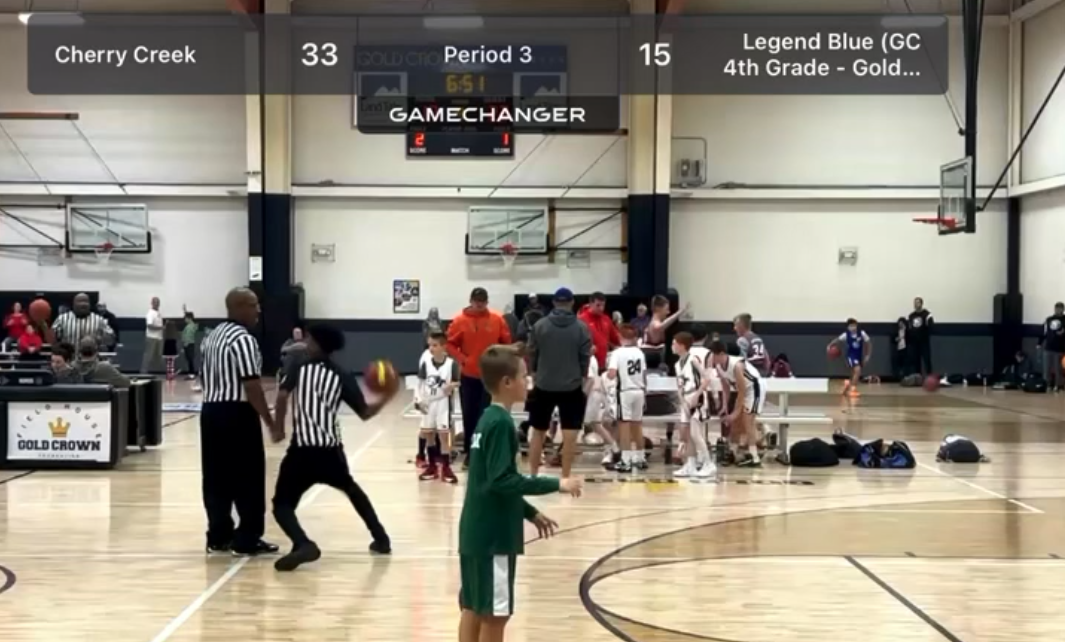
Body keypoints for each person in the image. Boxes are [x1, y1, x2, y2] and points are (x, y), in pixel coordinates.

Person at [457, 344, 582, 642]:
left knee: (473, 607)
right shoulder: (500, 424)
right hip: (494, 537)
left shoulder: (486, 420)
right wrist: (557, 484)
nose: (530, 381)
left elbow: (487, 481)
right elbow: (503, 480)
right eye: (524, 375)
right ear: (507, 382)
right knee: (496, 615)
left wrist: (529, 512)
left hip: (476, 531)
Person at [270, 324, 398, 571]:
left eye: (308, 339)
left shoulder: (298, 366)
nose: (305, 343)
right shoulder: (341, 374)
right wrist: (386, 396)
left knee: (282, 505)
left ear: (317, 343)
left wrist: (278, 428)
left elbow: (283, 395)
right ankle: (381, 538)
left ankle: (303, 543)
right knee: (352, 491)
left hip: (301, 452)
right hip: (329, 450)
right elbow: (365, 413)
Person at [198, 287, 277, 557]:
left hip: (210, 412)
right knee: (248, 477)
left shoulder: (211, 337)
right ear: (240, 306)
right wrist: (269, 420)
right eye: (254, 305)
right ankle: (247, 537)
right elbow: (252, 385)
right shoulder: (243, 339)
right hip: (237, 413)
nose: (258, 310)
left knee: (215, 477)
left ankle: (218, 536)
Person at [526, 287, 592, 479]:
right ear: (572, 303)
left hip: (544, 383)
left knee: (538, 431)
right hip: (571, 385)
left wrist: (536, 372)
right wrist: (581, 375)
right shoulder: (581, 327)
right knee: (570, 434)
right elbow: (584, 357)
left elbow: (532, 352)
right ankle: (565, 476)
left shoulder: (540, 325)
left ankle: (532, 475)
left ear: (554, 303)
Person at [447, 287, 512, 468]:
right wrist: (463, 360)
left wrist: (502, 363)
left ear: (487, 301)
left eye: (483, 301)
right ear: (471, 300)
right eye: (477, 301)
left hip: (491, 376)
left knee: (488, 416)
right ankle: (470, 452)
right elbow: (450, 344)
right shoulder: (459, 321)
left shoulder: (497, 319)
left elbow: (506, 343)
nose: (479, 304)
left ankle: (486, 452)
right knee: (470, 415)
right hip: (469, 376)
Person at [710, 340, 764, 468]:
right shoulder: (718, 366)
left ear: (721, 354)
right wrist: (724, 405)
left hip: (754, 389)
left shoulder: (736, 365)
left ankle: (754, 456)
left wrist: (735, 413)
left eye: (713, 354)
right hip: (744, 391)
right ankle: (733, 452)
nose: (711, 357)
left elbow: (742, 390)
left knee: (747, 421)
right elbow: (726, 388)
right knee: (735, 424)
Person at [415, 331, 461, 483]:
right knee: (428, 434)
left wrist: (451, 386)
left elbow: (457, 381)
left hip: (443, 402)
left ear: (443, 346)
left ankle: (446, 466)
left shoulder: (451, 364)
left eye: (434, 345)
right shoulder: (426, 363)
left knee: (444, 435)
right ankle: (432, 465)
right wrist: (418, 399)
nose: (431, 348)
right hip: (429, 402)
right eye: (429, 345)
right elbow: (420, 383)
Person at [672, 332, 714, 479]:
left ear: (682, 345)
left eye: (674, 343)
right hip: (686, 398)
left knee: (696, 433)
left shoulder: (693, 360)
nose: (672, 346)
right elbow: (679, 385)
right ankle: (690, 464)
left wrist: (697, 395)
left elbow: (707, 379)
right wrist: (682, 401)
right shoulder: (677, 364)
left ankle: (709, 463)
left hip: (698, 396)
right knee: (688, 435)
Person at [606, 324, 648, 473]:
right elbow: (644, 374)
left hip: (625, 391)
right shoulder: (640, 353)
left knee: (624, 426)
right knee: (637, 426)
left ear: (620, 336)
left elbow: (611, 374)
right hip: (640, 391)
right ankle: (641, 458)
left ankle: (625, 460)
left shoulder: (617, 353)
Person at [583, 346, 620, 468]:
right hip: (596, 396)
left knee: (595, 424)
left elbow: (591, 380)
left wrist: (582, 396)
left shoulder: (588, 360)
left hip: (592, 395)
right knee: (594, 424)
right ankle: (613, 449)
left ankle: (614, 448)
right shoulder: (592, 360)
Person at [578, 292, 621, 371]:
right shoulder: (581, 320)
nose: (601, 308)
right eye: (598, 305)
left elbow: (616, 338)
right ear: (590, 304)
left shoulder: (606, 319)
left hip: (604, 365)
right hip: (588, 367)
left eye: (603, 305)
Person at [828, 318, 871, 397]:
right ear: (848, 327)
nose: (853, 327)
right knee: (858, 370)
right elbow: (837, 340)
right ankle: (853, 389)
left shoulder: (862, 333)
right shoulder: (846, 335)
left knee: (854, 373)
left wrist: (867, 355)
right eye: (851, 326)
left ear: (856, 326)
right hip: (851, 356)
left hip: (859, 355)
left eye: (854, 325)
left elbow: (868, 343)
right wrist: (830, 345)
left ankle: (847, 386)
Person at [642, 296, 688, 370]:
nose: (668, 312)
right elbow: (659, 327)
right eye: (666, 309)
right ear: (658, 309)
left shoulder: (654, 323)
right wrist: (679, 312)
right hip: (652, 367)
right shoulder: (654, 324)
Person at [734, 313, 770, 377]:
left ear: (741, 326)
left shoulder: (742, 340)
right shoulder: (758, 339)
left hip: (750, 375)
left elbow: (741, 361)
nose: (735, 328)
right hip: (762, 373)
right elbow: (767, 360)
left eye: (736, 325)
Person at [1039, 302, 1065, 391]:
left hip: (1060, 348)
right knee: (1047, 368)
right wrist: (1039, 343)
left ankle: (1058, 385)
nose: (1058, 310)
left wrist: (1062, 333)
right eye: (1057, 308)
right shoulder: (1049, 319)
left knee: (1059, 369)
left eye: (1060, 308)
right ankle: (1047, 385)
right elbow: (1044, 332)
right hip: (1048, 347)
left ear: (1063, 309)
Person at [907, 297, 934, 375]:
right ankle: (917, 377)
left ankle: (929, 376)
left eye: (918, 302)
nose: (916, 304)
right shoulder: (911, 316)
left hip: (924, 341)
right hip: (914, 342)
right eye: (915, 302)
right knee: (915, 360)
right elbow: (910, 328)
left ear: (921, 304)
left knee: (926, 359)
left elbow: (931, 326)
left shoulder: (927, 314)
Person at [142, 297, 165, 374]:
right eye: (155, 302)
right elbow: (149, 325)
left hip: (159, 337)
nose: (157, 304)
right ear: (152, 303)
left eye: (158, 302)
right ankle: (143, 372)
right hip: (151, 337)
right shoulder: (150, 313)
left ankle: (166, 372)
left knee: (160, 355)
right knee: (149, 355)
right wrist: (161, 327)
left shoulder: (158, 313)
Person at [181, 310, 200, 379]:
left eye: (185, 318)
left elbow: (187, 337)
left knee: (190, 360)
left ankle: (191, 374)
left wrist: (185, 346)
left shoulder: (189, 327)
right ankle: (191, 374)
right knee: (190, 359)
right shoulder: (192, 325)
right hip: (189, 345)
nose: (185, 320)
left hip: (188, 345)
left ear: (189, 318)